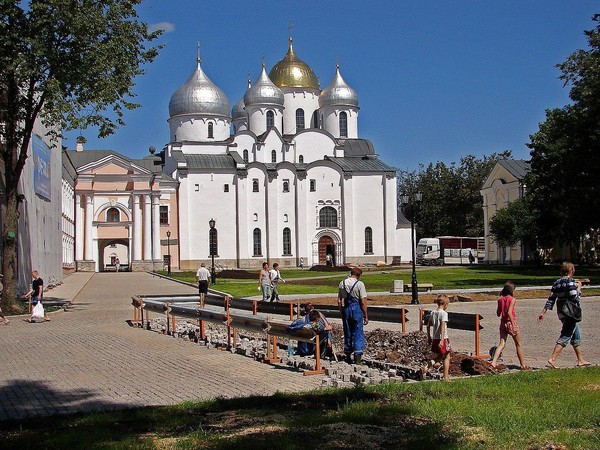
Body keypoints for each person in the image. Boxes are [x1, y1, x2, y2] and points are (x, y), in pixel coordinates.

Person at [538, 262, 591, 368]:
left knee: (576, 336)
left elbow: (551, 299)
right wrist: (579, 288)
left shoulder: (556, 283)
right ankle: (552, 359)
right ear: (571, 270)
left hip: (562, 312)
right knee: (566, 334)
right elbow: (575, 298)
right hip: (571, 312)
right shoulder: (571, 282)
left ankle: (580, 360)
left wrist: (543, 312)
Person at [490, 281, 530, 370]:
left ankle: (493, 363)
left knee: (501, 344)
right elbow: (509, 312)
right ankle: (523, 365)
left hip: (503, 323)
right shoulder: (512, 299)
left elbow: (498, 313)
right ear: (512, 290)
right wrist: (513, 324)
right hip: (510, 323)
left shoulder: (500, 299)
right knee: (518, 344)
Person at [338, 267, 368, 364]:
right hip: (356, 309)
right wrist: (366, 315)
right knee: (358, 332)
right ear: (358, 275)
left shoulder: (342, 283)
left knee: (347, 332)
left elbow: (339, 300)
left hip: (347, 308)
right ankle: (357, 357)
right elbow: (363, 302)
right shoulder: (359, 284)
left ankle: (347, 355)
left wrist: (342, 311)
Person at [426, 294, 452, 381]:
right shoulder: (444, 314)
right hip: (443, 338)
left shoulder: (433, 312)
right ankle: (445, 377)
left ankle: (427, 366)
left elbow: (428, 325)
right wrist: (442, 340)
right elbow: (442, 327)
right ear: (445, 304)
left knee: (441, 356)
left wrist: (429, 336)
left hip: (435, 337)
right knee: (447, 357)